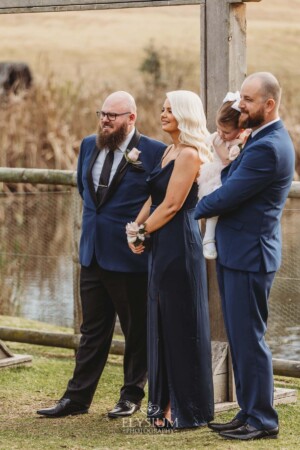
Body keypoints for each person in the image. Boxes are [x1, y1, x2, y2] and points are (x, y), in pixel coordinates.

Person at [37, 91, 166, 418]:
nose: (105, 120)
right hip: (92, 253)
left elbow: (162, 198)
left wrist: (141, 232)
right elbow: (86, 191)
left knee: (136, 330)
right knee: (92, 330)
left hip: (130, 257)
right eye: (103, 113)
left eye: (113, 115)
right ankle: (76, 399)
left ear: (131, 118)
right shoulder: (87, 145)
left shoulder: (153, 152)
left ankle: (131, 396)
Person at [195, 72, 295, 441]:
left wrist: (185, 209)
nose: (241, 106)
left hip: (250, 255)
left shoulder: (268, 147)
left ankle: (263, 420)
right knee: (240, 337)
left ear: (269, 104)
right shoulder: (259, 138)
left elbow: (227, 195)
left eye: (248, 101)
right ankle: (248, 410)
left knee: (250, 339)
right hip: (239, 252)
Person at [126, 90, 214, 429]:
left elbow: (174, 204)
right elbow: (155, 197)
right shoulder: (168, 151)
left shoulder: (190, 155)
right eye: (162, 110)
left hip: (180, 243)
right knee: (160, 318)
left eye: (169, 110)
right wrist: (135, 227)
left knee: (180, 321)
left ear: (185, 115)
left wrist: (143, 233)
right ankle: (161, 404)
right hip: (161, 241)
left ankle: (184, 408)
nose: (162, 115)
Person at [198, 91, 251, 259]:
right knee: (215, 203)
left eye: (226, 132)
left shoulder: (247, 138)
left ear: (241, 128)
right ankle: (208, 238)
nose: (221, 134)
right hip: (217, 175)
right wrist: (236, 147)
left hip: (231, 178)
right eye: (219, 129)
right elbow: (227, 161)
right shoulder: (218, 139)